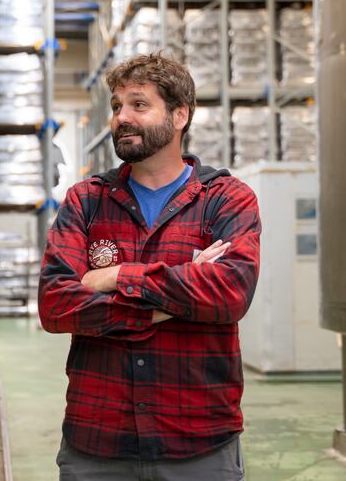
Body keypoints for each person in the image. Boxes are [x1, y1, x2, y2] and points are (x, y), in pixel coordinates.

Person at [38, 53, 261, 480]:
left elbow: (229, 294)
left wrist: (116, 277)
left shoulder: (226, 199)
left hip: (197, 440)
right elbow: (55, 305)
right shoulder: (87, 200)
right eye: (117, 105)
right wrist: (175, 296)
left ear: (180, 115)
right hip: (98, 441)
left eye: (139, 105)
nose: (122, 117)